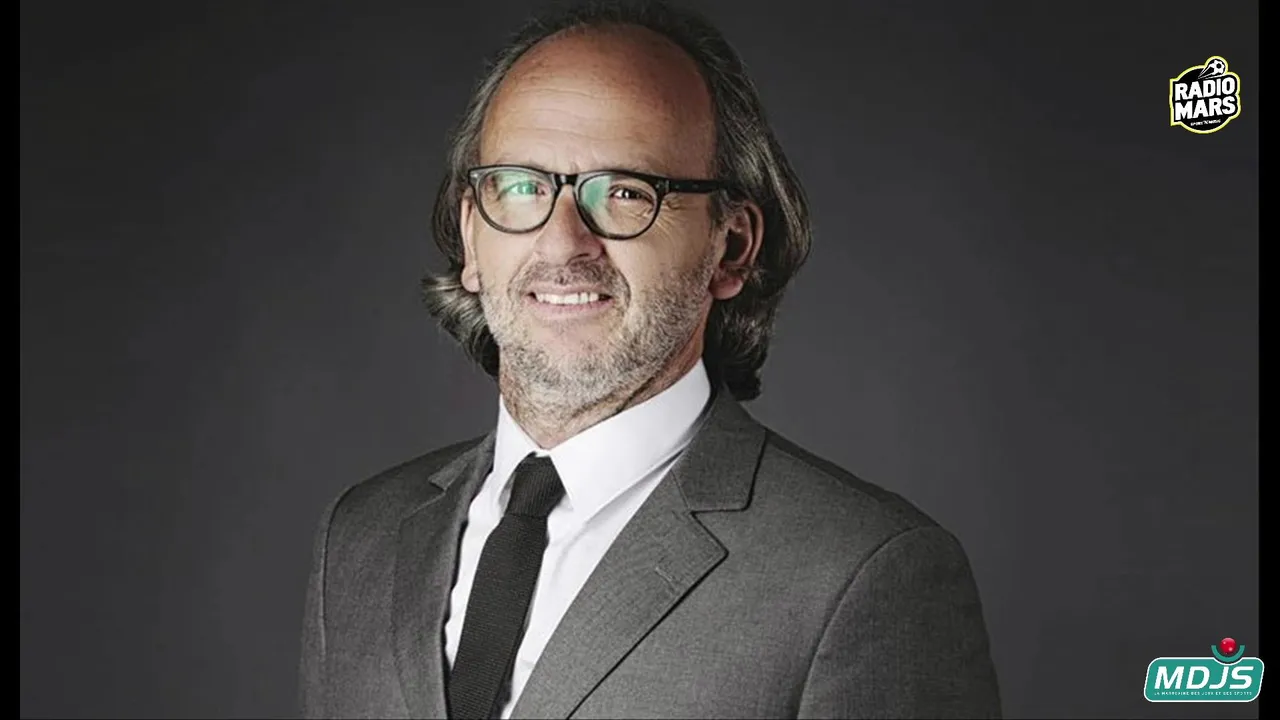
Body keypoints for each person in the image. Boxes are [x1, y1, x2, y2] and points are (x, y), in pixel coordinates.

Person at [298, 1, 1002, 717]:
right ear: (472, 235)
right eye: (521, 186)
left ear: (730, 247)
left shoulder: (865, 573)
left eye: (626, 193)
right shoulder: (361, 536)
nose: (562, 242)